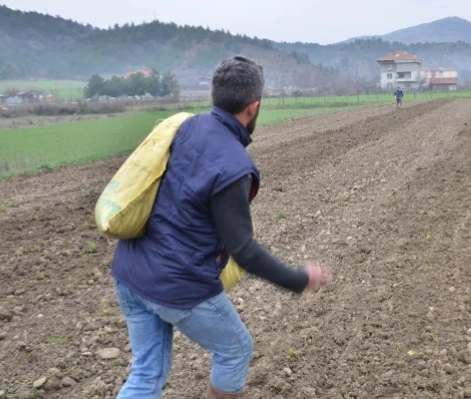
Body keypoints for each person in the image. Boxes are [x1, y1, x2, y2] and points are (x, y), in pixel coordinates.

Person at [110, 55, 332, 399]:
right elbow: (244, 249)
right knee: (236, 348)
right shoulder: (233, 165)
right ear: (253, 107)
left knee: (146, 374)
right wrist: (300, 279)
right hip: (177, 285)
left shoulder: (185, 126)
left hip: (130, 271)